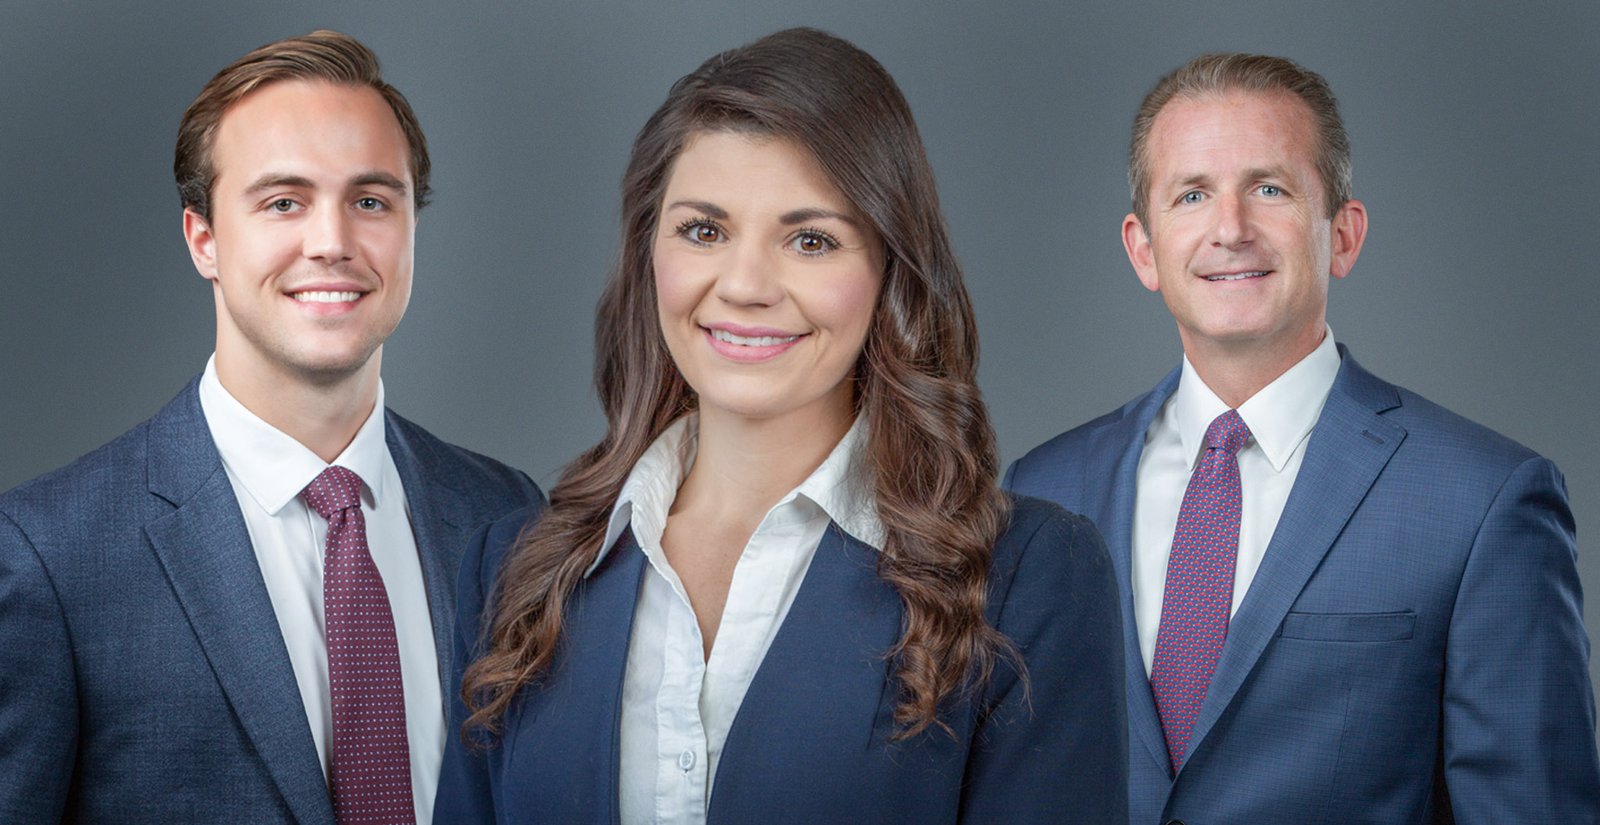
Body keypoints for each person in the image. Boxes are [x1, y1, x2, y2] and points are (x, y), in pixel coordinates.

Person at [434, 27, 1125, 824]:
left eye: (810, 240)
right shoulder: (513, 571)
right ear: (648, 252)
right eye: (704, 230)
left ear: (889, 269)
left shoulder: (1029, 578)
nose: (747, 285)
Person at [1006, 52, 1600, 821]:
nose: (1230, 229)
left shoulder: (1482, 502)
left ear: (1343, 235)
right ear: (1144, 249)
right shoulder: (1042, 490)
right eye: (1192, 194)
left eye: (1270, 188)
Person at [0, 30, 542, 824]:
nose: (332, 243)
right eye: (284, 201)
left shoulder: (505, 514)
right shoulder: (49, 555)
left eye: (370, 201)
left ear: (411, 228)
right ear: (204, 240)